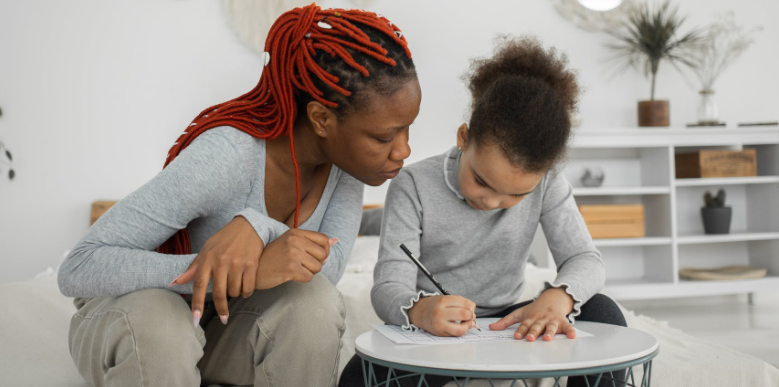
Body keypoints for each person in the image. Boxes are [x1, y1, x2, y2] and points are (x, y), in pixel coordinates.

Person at [57, 4, 420, 387]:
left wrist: (258, 229)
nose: (403, 151)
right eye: (384, 137)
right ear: (320, 119)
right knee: (161, 323)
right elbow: (79, 267)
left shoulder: (347, 169)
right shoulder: (227, 157)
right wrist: (228, 271)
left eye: (407, 130)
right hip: (138, 321)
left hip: (219, 327)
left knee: (314, 302)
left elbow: (325, 270)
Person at [339, 36, 626, 387]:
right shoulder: (412, 184)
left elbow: (586, 259)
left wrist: (559, 296)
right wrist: (419, 310)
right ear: (463, 137)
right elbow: (387, 286)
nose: (491, 202)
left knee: (603, 311)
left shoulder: (549, 182)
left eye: (517, 194)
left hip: (511, 326)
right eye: (481, 180)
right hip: (435, 333)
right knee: (358, 376)